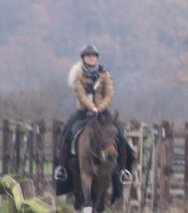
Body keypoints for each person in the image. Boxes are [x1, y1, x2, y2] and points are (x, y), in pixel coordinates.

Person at [54, 44, 134, 203]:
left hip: (102, 113)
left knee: (120, 137)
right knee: (68, 134)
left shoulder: (104, 74)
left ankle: (124, 170)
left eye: (94, 56)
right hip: (83, 111)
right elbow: (81, 95)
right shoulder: (77, 75)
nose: (92, 58)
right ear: (83, 58)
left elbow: (109, 94)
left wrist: (100, 108)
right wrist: (91, 108)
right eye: (88, 56)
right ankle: (62, 168)